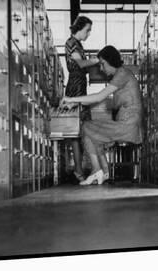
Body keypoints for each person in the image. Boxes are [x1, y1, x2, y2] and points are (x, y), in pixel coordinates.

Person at [61, 45, 143, 185]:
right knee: (92, 134)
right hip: (127, 124)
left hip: (128, 126)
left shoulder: (122, 74)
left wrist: (72, 99)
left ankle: (97, 170)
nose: (101, 68)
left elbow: (99, 97)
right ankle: (102, 172)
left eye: (103, 64)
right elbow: (107, 100)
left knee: (87, 127)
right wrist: (76, 103)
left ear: (111, 61)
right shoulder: (122, 75)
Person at [64, 16, 99, 182]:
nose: (89, 33)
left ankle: (82, 170)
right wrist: (98, 59)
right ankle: (80, 170)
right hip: (75, 89)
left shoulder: (78, 45)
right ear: (79, 28)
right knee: (77, 131)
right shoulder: (71, 43)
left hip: (79, 87)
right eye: (88, 30)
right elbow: (81, 65)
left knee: (80, 131)